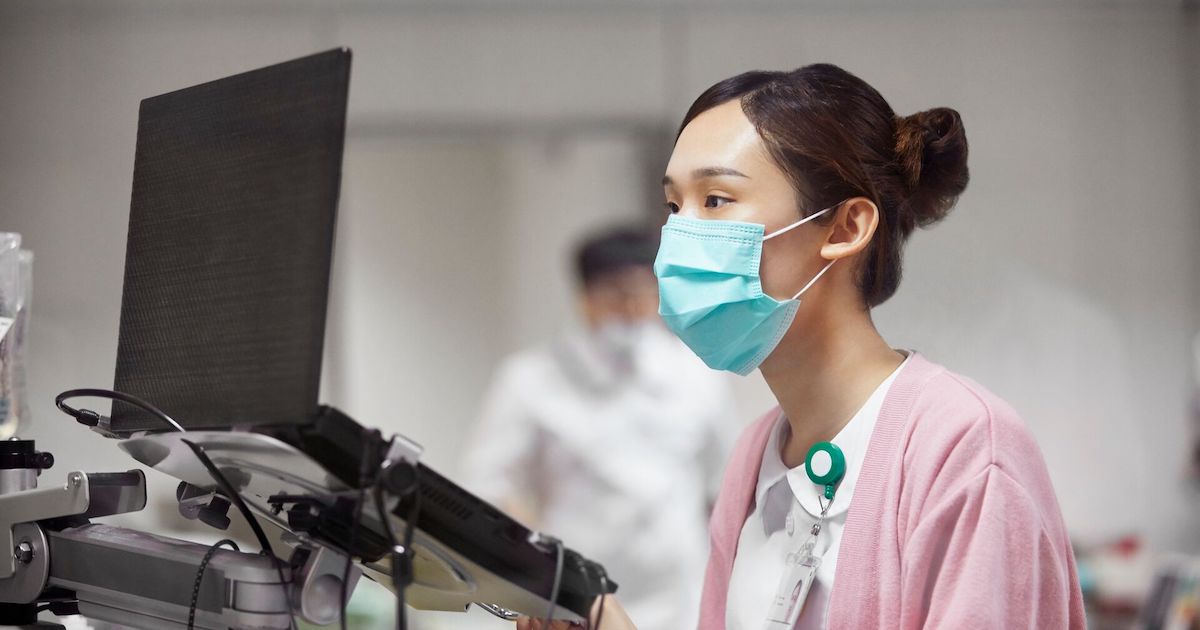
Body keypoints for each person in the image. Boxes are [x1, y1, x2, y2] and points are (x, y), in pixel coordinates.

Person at [518, 64, 1085, 630]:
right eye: (673, 207)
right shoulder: (755, 457)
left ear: (844, 228)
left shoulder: (965, 449)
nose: (679, 239)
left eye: (715, 199)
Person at [465, 227, 737, 630]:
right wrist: (538, 562)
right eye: (617, 293)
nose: (631, 307)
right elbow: (489, 484)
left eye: (643, 292)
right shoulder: (530, 379)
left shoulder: (698, 372)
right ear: (586, 296)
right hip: (577, 595)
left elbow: (727, 484)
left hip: (681, 598)